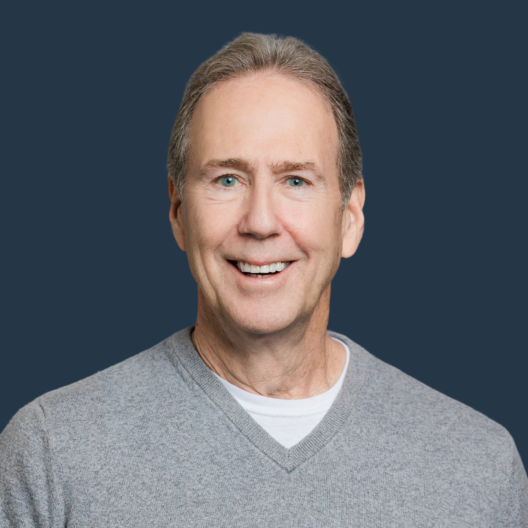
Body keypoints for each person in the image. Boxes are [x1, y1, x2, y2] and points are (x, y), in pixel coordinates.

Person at [1, 32, 527, 527]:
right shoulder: (52, 454)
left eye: (296, 180)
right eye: (227, 179)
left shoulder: (479, 469)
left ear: (350, 217)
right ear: (178, 210)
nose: (259, 222)